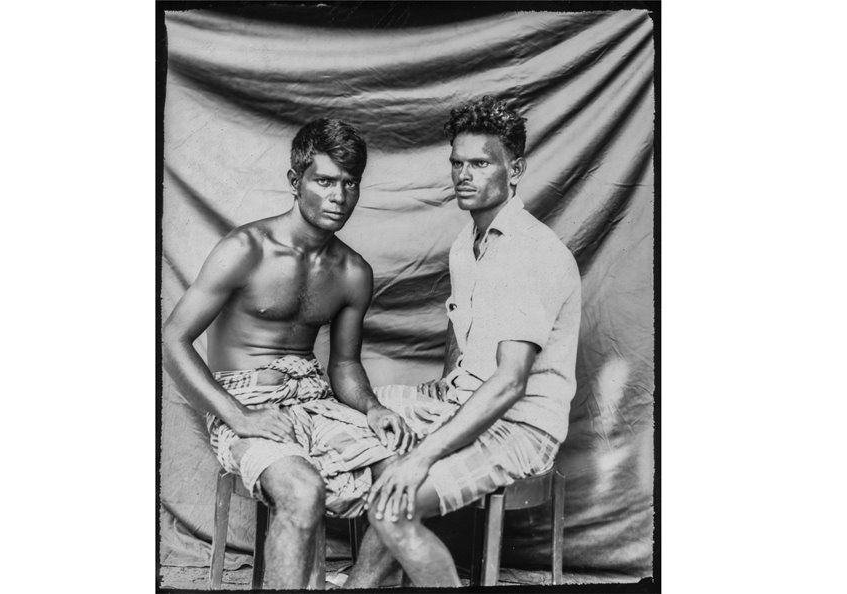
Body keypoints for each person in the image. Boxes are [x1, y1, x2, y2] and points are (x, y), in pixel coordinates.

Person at [161, 118, 415, 590]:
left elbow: (344, 365)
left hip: (315, 400)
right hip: (247, 401)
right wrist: (238, 416)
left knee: (408, 475)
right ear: (295, 181)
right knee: (302, 490)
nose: (339, 197)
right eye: (325, 181)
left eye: (350, 183)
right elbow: (172, 339)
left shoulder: (353, 271)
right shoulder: (247, 248)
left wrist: (373, 407)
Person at [344, 96, 582, 587]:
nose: (464, 175)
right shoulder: (466, 243)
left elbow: (510, 382)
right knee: (350, 414)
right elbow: (461, 324)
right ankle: (367, 581)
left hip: (520, 427)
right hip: (463, 400)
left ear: (514, 170)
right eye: (457, 163)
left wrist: (421, 456)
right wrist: (449, 379)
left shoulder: (531, 252)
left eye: (480, 164)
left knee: (394, 505)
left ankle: (364, 582)